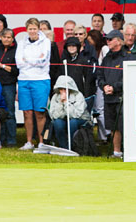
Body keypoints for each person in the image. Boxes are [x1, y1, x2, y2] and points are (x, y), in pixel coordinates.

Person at [15, 17, 52, 150]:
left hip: (41, 80)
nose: (32, 31)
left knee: (39, 112)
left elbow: (43, 60)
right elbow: (19, 63)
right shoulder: (21, 43)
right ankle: (29, 142)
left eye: (34, 29)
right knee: (27, 112)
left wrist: (28, 60)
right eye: (30, 29)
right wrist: (33, 61)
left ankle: (42, 142)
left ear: (38, 29)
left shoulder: (46, 42)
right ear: (26, 30)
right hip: (24, 79)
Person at [97, 30, 126, 158]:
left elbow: (128, 78)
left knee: (123, 125)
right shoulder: (107, 58)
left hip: (122, 98)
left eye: (110, 39)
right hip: (108, 97)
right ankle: (117, 151)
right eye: (107, 39)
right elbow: (99, 75)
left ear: (118, 41)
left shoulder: (127, 57)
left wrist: (114, 88)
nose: (107, 41)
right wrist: (104, 86)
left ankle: (128, 150)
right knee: (113, 126)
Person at [0, 28, 19, 146]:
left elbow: (16, 70)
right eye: (4, 37)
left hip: (9, 84)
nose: (6, 39)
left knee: (10, 112)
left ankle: (11, 140)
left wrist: (1, 66)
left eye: (8, 37)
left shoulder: (16, 50)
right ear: (1, 38)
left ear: (12, 39)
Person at [49, 74, 91, 150]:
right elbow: (54, 116)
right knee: (58, 123)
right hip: (63, 118)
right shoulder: (55, 97)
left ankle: (73, 146)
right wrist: (61, 104)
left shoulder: (78, 96)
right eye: (61, 89)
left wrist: (66, 102)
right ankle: (64, 146)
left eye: (65, 89)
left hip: (79, 118)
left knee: (73, 122)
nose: (63, 91)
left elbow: (76, 114)